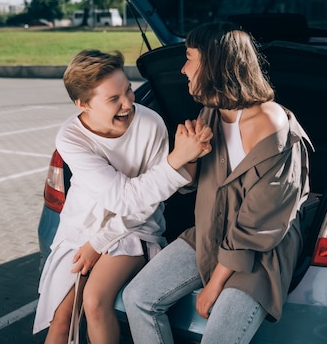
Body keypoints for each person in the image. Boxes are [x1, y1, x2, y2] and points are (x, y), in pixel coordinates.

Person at [123, 23, 313, 344]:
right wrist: (187, 157)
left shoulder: (273, 127)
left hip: (259, 253)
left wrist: (214, 286)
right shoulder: (210, 114)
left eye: (189, 58)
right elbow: (192, 186)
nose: (183, 69)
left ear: (215, 63)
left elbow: (259, 226)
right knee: (138, 297)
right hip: (209, 233)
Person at [32, 49, 212, 344]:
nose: (128, 103)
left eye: (128, 90)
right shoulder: (71, 137)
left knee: (94, 301)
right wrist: (177, 159)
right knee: (61, 319)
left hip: (134, 228)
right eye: (113, 99)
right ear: (83, 104)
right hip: (82, 230)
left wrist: (98, 244)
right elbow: (123, 197)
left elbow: (144, 205)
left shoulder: (150, 124)